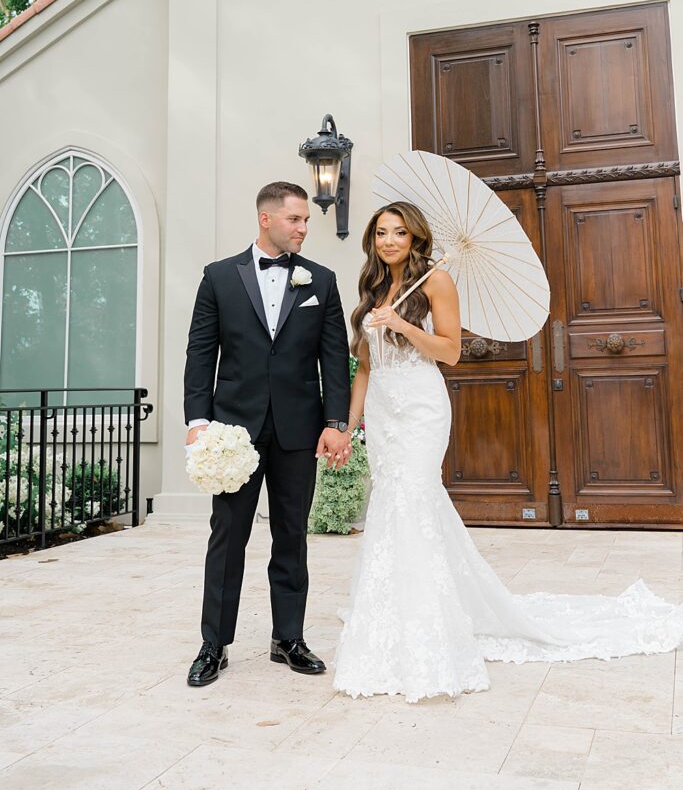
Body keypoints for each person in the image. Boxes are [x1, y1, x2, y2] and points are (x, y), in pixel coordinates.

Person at [333, 200, 683, 703]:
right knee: (395, 503)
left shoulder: (435, 281)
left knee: (412, 497)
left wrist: (406, 326)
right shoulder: (371, 287)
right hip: (385, 412)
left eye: (399, 233)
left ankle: (428, 620)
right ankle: (397, 603)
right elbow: (364, 366)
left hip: (422, 408)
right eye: (382, 232)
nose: (389, 241)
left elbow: (451, 351)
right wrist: (349, 428)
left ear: (415, 239)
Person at [184, 182, 351, 687]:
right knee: (228, 536)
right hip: (234, 429)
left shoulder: (321, 280)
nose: (304, 227)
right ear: (266, 219)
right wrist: (197, 422)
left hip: (299, 429)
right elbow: (200, 353)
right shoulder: (218, 277)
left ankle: (289, 638)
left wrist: (336, 422)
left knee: (292, 535)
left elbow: (334, 358)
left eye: (306, 220)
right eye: (296, 219)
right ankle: (214, 644)